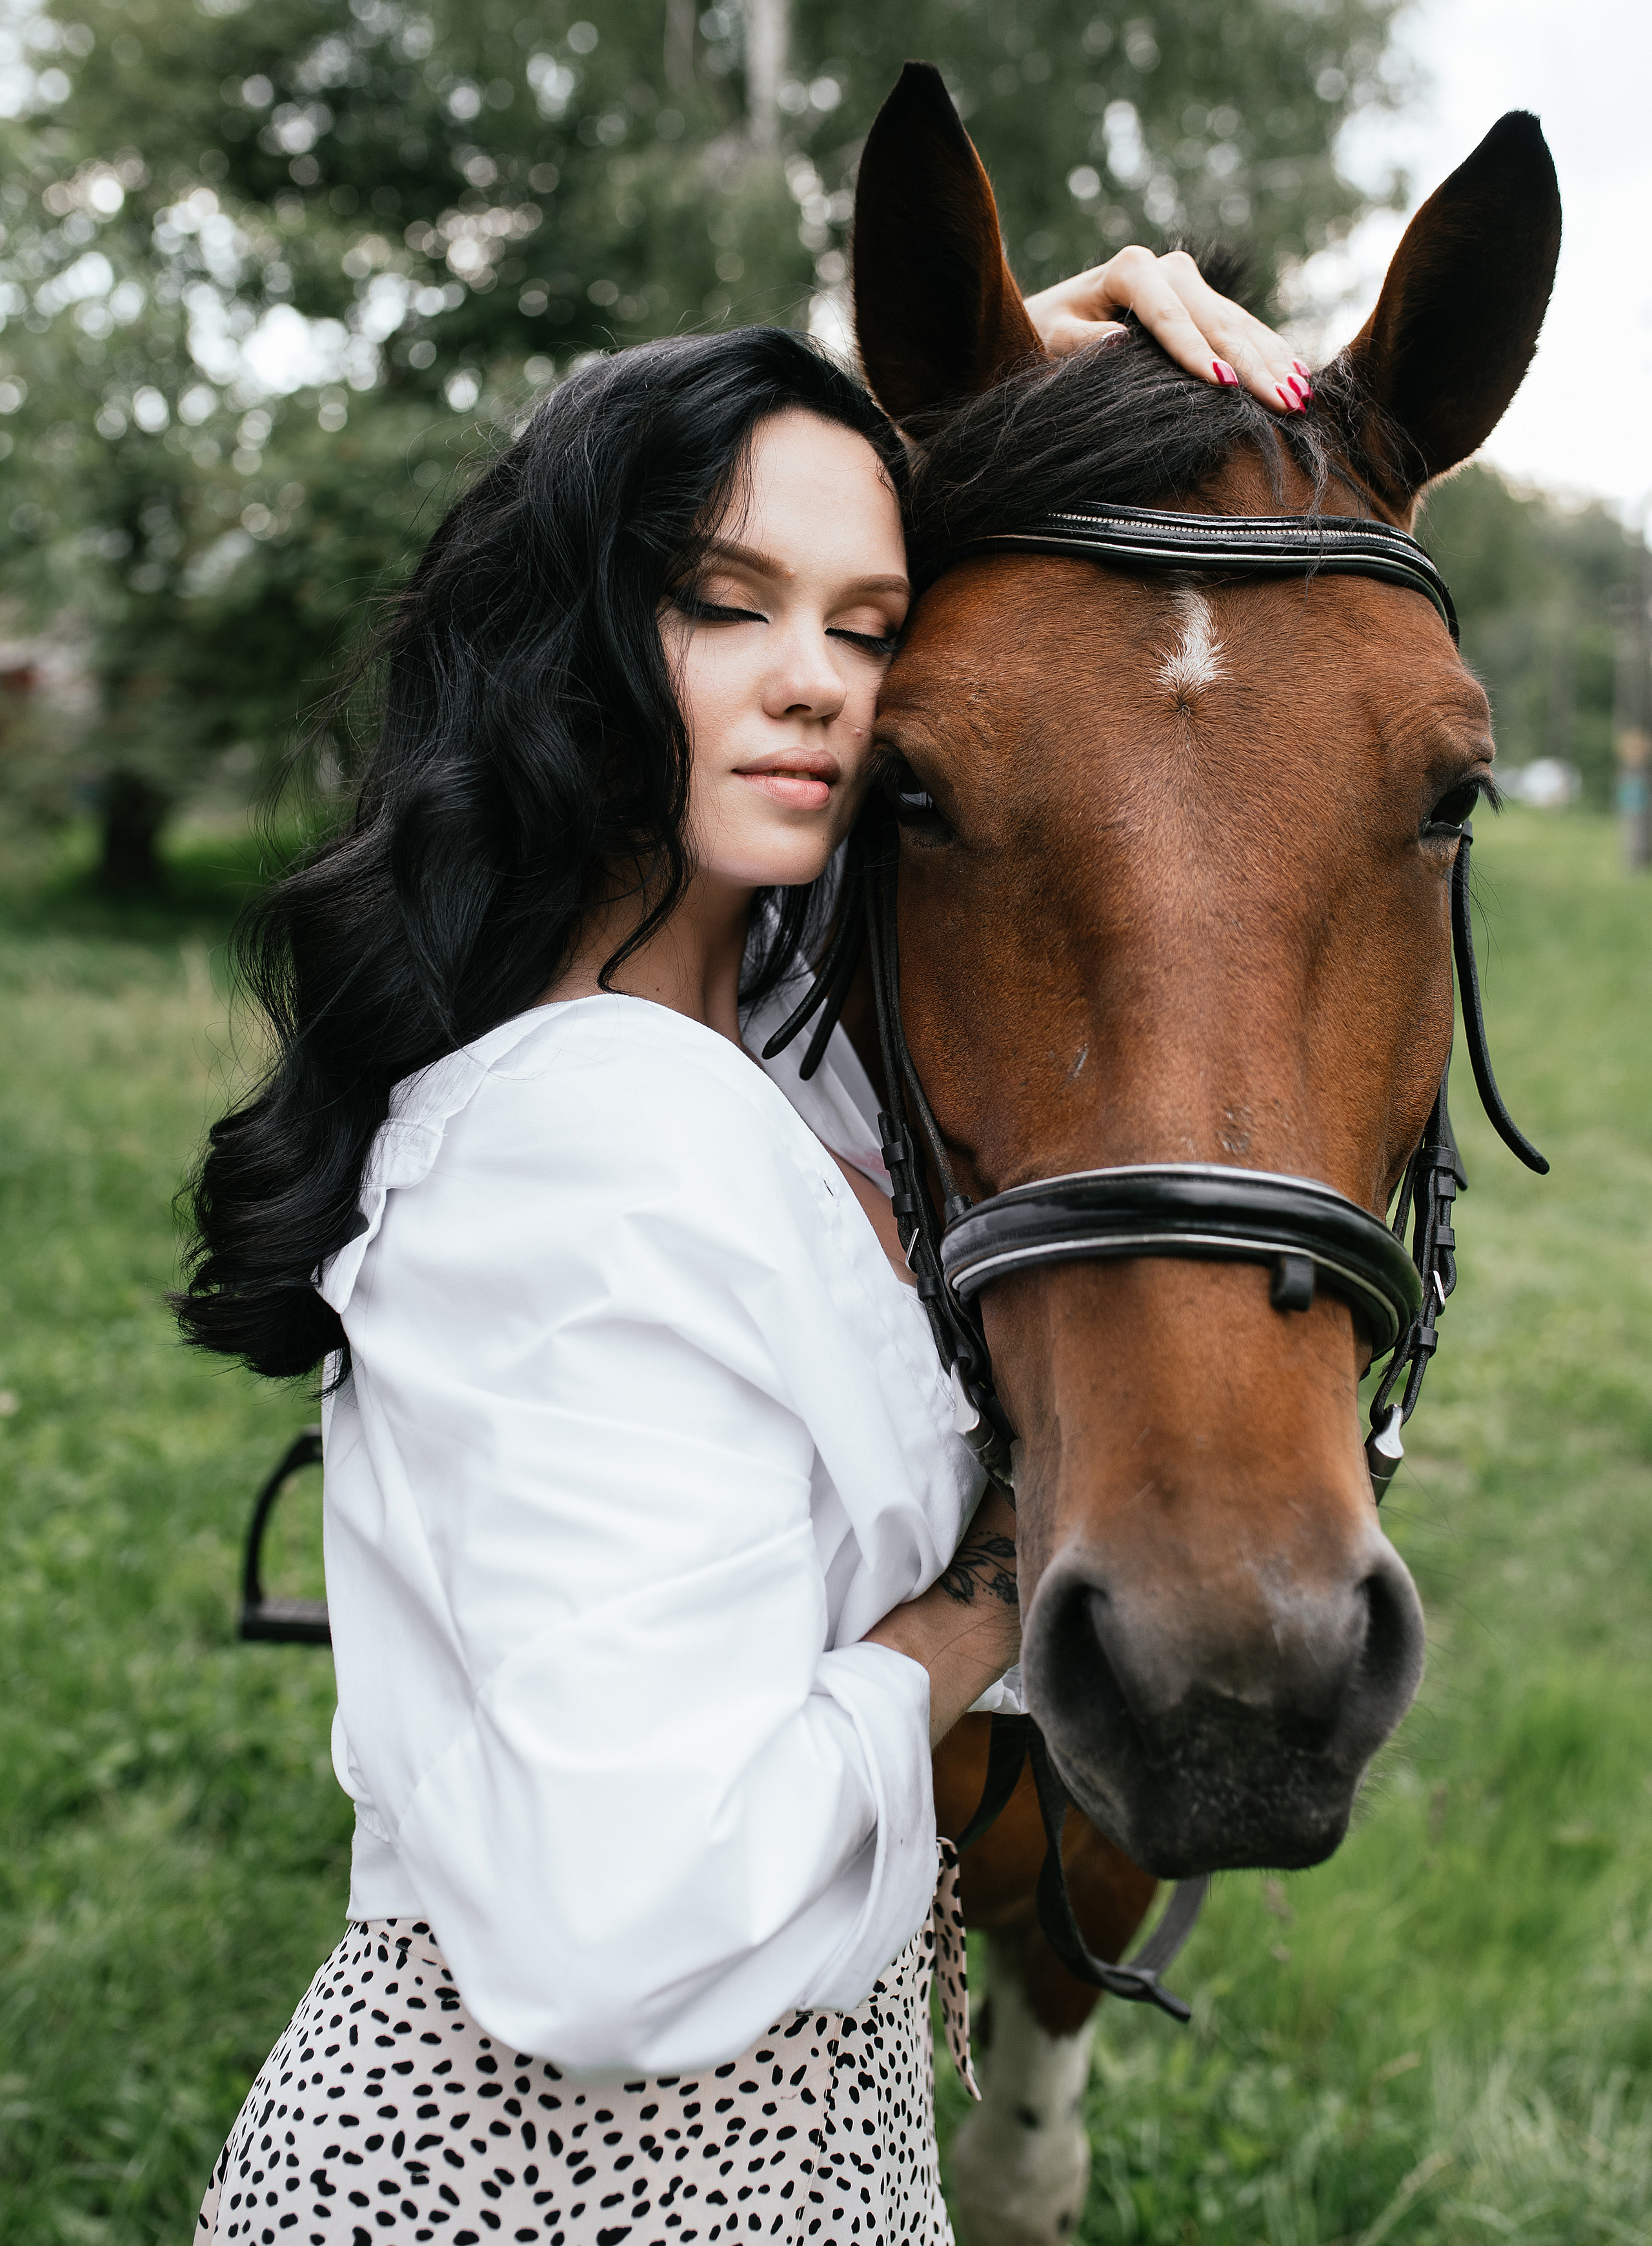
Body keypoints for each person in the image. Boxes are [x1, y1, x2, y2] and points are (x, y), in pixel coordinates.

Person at [181, 256, 1304, 2245]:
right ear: (579, 633)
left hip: (811, 2145)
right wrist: (971, 1613)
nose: (816, 679)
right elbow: (622, 1942)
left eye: (865, 624)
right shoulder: (575, 1150)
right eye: (724, 604)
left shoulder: (774, 1036)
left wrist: (994, 384)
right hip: (555, 2183)